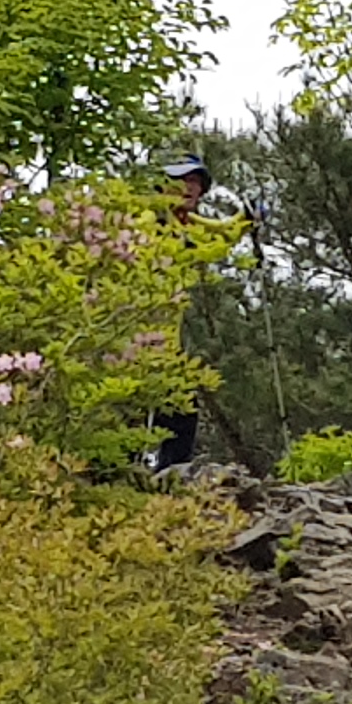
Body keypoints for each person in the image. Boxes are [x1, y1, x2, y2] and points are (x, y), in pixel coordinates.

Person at [150, 153, 214, 472]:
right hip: (129, 340)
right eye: (182, 180)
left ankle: (171, 478)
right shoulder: (146, 222)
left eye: (195, 182)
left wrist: (248, 222)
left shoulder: (190, 230)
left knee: (182, 409)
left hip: (167, 343)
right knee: (129, 413)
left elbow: (222, 236)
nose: (190, 188)